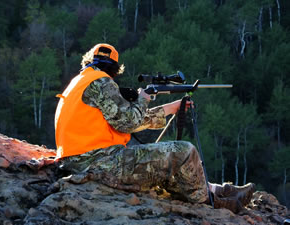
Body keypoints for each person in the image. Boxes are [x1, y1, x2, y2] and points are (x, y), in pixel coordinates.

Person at [54, 43, 255, 213]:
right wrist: (142, 99)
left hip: (81, 161)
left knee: (169, 168)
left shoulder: (81, 83)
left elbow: (126, 119)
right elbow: (129, 123)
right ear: (115, 69)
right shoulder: (102, 82)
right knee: (184, 152)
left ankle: (222, 191)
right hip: (99, 163)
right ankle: (211, 201)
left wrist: (172, 108)